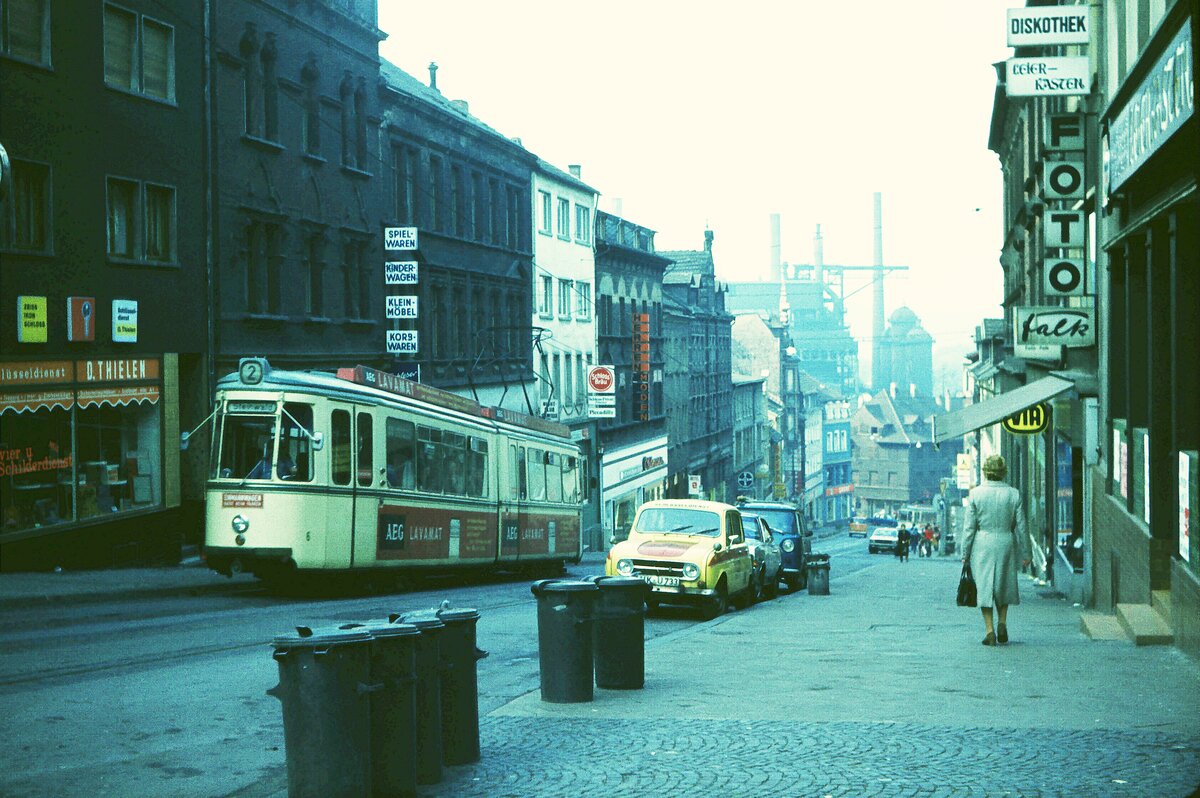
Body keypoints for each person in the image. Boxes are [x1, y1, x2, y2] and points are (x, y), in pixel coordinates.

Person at [961, 454, 1030, 646]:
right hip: (1006, 541)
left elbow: (969, 528)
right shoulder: (1013, 494)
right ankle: (1002, 622)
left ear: (985, 472)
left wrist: (965, 553)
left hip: (982, 543)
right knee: (1003, 583)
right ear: (1003, 472)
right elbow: (1022, 527)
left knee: (984, 587)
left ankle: (989, 630)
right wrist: (1027, 553)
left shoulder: (976, 494)